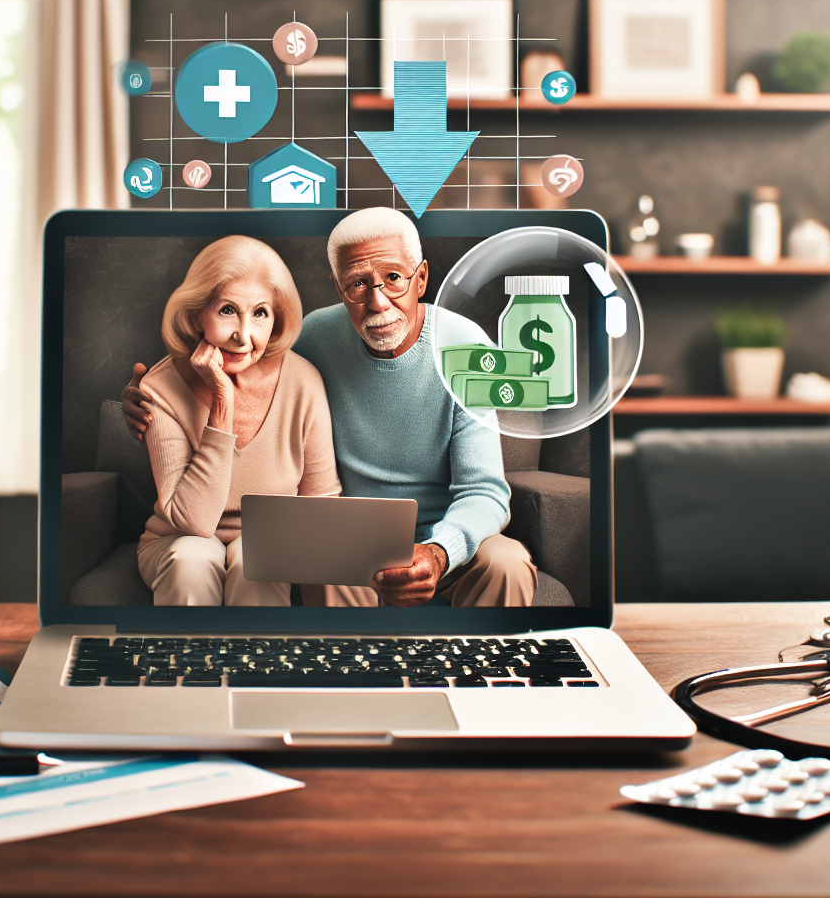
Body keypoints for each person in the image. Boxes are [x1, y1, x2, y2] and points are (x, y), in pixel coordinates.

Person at [125, 208, 537, 608]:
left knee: (508, 564)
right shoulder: (314, 338)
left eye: (394, 278)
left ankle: (479, 659)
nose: (378, 302)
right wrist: (143, 395)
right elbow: (244, 364)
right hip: (350, 535)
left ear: (422, 278)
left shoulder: (469, 348)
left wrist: (440, 551)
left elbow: (484, 491)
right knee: (323, 562)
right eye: (357, 284)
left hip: (448, 538)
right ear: (339, 289)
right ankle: (341, 660)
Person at [134, 235, 340, 606]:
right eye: (227, 310)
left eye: (260, 313)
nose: (243, 336)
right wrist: (222, 403)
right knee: (193, 559)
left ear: (276, 320)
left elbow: (321, 502)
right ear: (197, 315)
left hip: (274, 538)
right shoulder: (160, 387)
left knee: (256, 559)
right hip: (178, 540)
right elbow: (194, 522)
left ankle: (257, 650)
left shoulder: (303, 380)